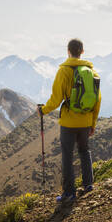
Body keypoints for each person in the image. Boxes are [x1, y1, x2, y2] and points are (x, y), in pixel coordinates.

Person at [37, 38, 101, 202]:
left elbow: (56, 99)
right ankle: (88, 185)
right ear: (82, 52)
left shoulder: (64, 71)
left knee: (67, 155)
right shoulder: (92, 72)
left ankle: (69, 193)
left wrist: (43, 110)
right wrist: (92, 123)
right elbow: (97, 100)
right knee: (84, 151)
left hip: (69, 123)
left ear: (68, 51)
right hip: (86, 121)